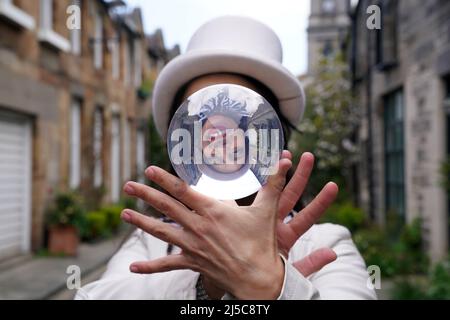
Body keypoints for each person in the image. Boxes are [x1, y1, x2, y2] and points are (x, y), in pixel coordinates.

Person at [76, 16, 377, 300]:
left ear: (273, 135)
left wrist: (273, 286)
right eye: (199, 113)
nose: (219, 127)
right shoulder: (149, 240)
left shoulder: (326, 242)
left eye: (241, 111)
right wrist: (208, 281)